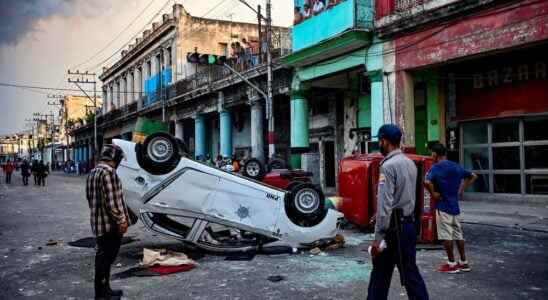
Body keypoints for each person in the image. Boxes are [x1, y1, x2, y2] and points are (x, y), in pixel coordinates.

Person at [367, 124, 429, 300]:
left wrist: (377, 239)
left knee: (380, 275)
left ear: (384, 141)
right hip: (408, 226)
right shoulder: (410, 163)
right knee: (410, 274)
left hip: (393, 230)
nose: (379, 144)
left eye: (379, 141)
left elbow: (385, 205)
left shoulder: (387, 166)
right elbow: (406, 197)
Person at [86, 145, 136, 300]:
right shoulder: (109, 173)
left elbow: (90, 198)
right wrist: (122, 221)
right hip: (110, 225)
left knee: (103, 258)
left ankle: (104, 290)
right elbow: (113, 202)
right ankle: (101, 294)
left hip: (98, 222)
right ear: (115, 158)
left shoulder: (94, 172)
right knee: (106, 259)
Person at [424, 143, 477, 274]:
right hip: (455, 207)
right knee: (458, 235)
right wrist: (461, 189)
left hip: (443, 207)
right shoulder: (456, 166)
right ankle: (464, 262)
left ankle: (451, 263)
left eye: (432, 153)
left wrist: (433, 194)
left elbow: (426, 182)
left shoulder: (435, 168)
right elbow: (473, 176)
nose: (431, 156)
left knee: (446, 236)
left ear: (435, 154)